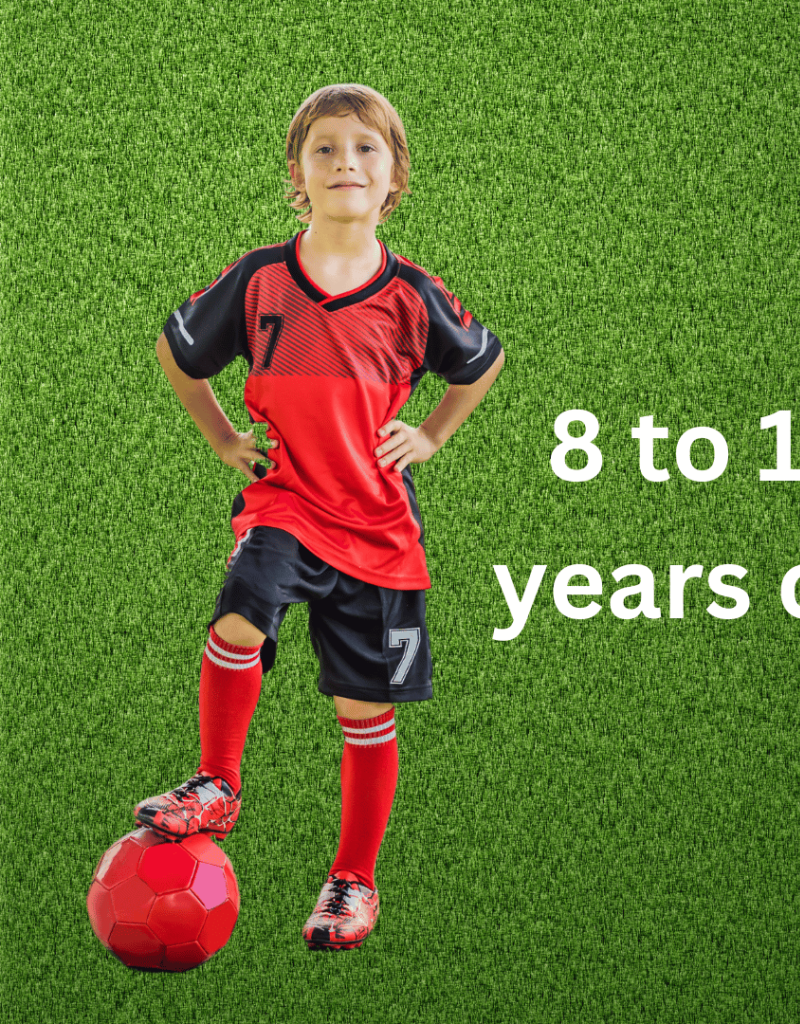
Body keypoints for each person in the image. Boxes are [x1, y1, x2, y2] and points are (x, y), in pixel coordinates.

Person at [134, 83, 505, 951]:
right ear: (298, 176)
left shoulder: (414, 294)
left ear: (394, 179)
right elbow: (176, 349)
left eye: (365, 149)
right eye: (326, 149)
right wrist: (225, 438)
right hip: (288, 503)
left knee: (362, 711)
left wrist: (433, 433)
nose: (346, 162)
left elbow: (480, 362)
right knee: (239, 609)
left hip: (379, 529)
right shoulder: (263, 278)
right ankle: (217, 783)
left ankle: (352, 881)